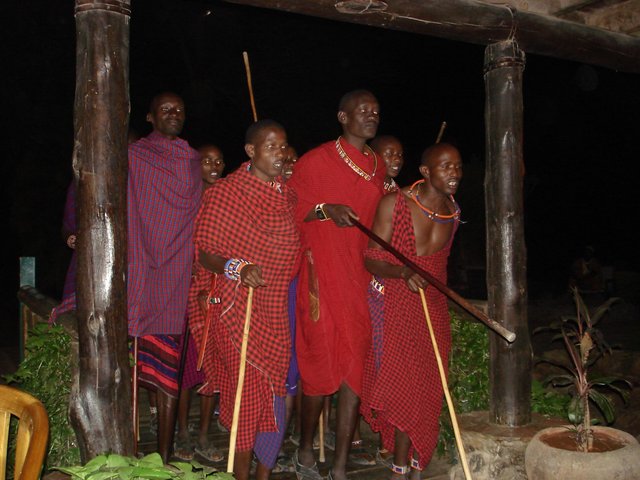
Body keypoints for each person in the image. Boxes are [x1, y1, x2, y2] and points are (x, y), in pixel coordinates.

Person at [192, 119, 300, 480]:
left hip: (276, 308)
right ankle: (240, 475)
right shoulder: (225, 193)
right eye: (271, 146)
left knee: (276, 392)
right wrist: (238, 267)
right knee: (248, 395)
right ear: (251, 151)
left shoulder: (286, 194)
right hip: (239, 310)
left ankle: (263, 473)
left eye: (283, 146)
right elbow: (205, 252)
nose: (280, 154)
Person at [287, 89, 386, 480]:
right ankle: (306, 449)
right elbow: (289, 208)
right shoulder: (315, 161)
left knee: (355, 371)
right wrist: (324, 209)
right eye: (363, 110)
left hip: (361, 280)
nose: (371, 115)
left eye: (376, 111)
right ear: (342, 117)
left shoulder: (379, 167)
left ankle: (341, 464)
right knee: (319, 365)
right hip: (321, 278)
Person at [360, 143, 463, 479]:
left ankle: (419, 460)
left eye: (458, 167)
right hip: (395, 302)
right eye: (446, 166)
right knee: (404, 385)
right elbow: (372, 258)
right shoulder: (395, 204)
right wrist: (403, 272)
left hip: (433, 306)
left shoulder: (454, 213)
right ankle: (400, 466)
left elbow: (441, 266)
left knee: (431, 386)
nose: (454, 174)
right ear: (425, 172)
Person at [128, 92, 202, 463]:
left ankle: (164, 455)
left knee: (170, 372)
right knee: (134, 371)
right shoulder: (136, 157)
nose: (174, 113)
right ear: (150, 117)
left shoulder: (192, 161)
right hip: (144, 275)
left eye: (179, 109)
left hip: (176, 278)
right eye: (165, 109)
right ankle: (128, 451)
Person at [350, 134, 405, 468]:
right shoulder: (365, 190)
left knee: (389, 363)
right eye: (387, 153)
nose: (395, 157)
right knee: (368, 359)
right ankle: (364, 428)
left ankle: (389, 434)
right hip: (366, 284)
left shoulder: (407, 196)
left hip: (395, 288)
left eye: (399, 152)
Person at [174, 144, 226, 463]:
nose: (214, 166)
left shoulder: (227, 200)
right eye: (207, 161)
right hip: (187, 292)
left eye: (219, 161)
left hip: (219, 290)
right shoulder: (185, 200)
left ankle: (205, 434)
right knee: (185, 368)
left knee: (213, 368)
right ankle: (181, 431)